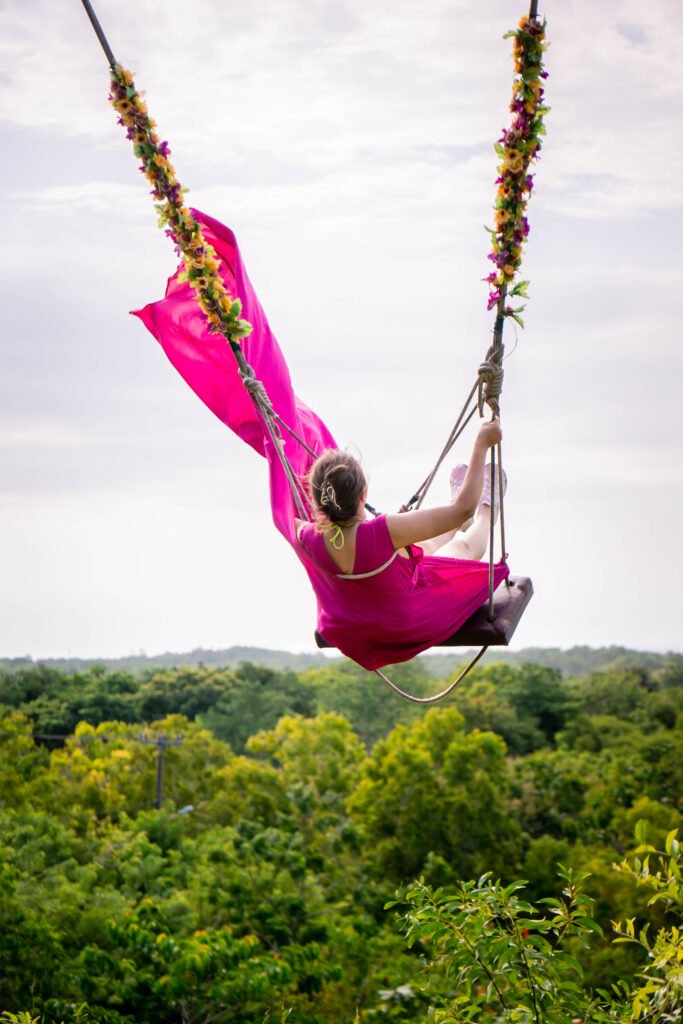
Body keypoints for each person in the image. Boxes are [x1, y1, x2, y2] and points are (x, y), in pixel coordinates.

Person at [295, 418, 509, 671]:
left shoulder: (306, 536)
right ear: (363, 495)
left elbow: (285, 516)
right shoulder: (384, 530)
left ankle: (454, 525)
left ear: (317, 501)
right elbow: (463, 509)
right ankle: (486, 511)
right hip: (405, 624)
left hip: (353, 626)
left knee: (417, 549)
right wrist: (481, 443)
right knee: (461, 549)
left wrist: (275, 447)